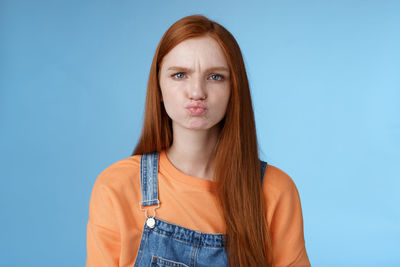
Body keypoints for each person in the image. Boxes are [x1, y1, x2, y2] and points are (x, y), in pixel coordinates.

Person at [86, 14, 310, 267]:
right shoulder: (117, 186)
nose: (197, 92)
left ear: (234, 90)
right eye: (180, 75)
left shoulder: (275, 191)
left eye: (215, 77)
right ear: (158, 86)